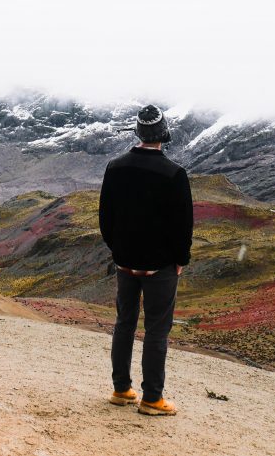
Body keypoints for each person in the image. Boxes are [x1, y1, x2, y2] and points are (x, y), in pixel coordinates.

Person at [98, 104, 193, 415]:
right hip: (160, 266)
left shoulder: (115, 168)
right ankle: (152, 398)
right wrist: (180, 259)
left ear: (137, 133)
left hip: (124, 262)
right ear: (163, 135)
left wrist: (119, 250)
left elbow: (105, 218)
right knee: (156, 330)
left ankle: (121, 389)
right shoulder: (174, 174)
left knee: (124, 323)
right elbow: (183, 225)